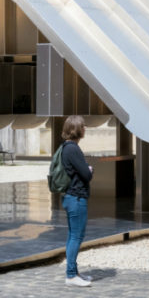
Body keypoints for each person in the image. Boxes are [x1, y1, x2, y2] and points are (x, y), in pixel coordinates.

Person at [59, 114, 93, 287]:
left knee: (74, 236)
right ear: (76, 129)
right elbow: (86, 175)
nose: (85, 128)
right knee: (76, 237)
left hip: (72, 197)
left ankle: (74, 272)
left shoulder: (68, 147)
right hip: (76, 198)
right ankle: (71, 275)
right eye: (83, 126)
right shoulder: (72, 149)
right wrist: (89, 169)